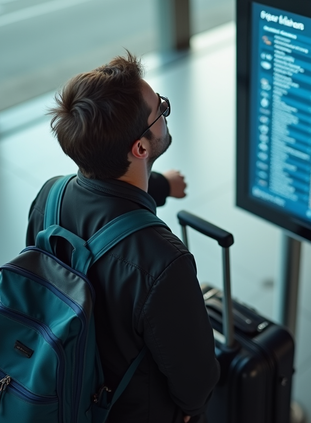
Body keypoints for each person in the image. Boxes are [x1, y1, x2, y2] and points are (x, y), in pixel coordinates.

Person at [25, 52, 220, 423]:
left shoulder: (49, 197)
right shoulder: (164, 261)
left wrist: (160, 185)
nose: (164, 110)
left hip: (57, 387)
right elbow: (195, 378)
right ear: (141, 148)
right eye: (160, 108)